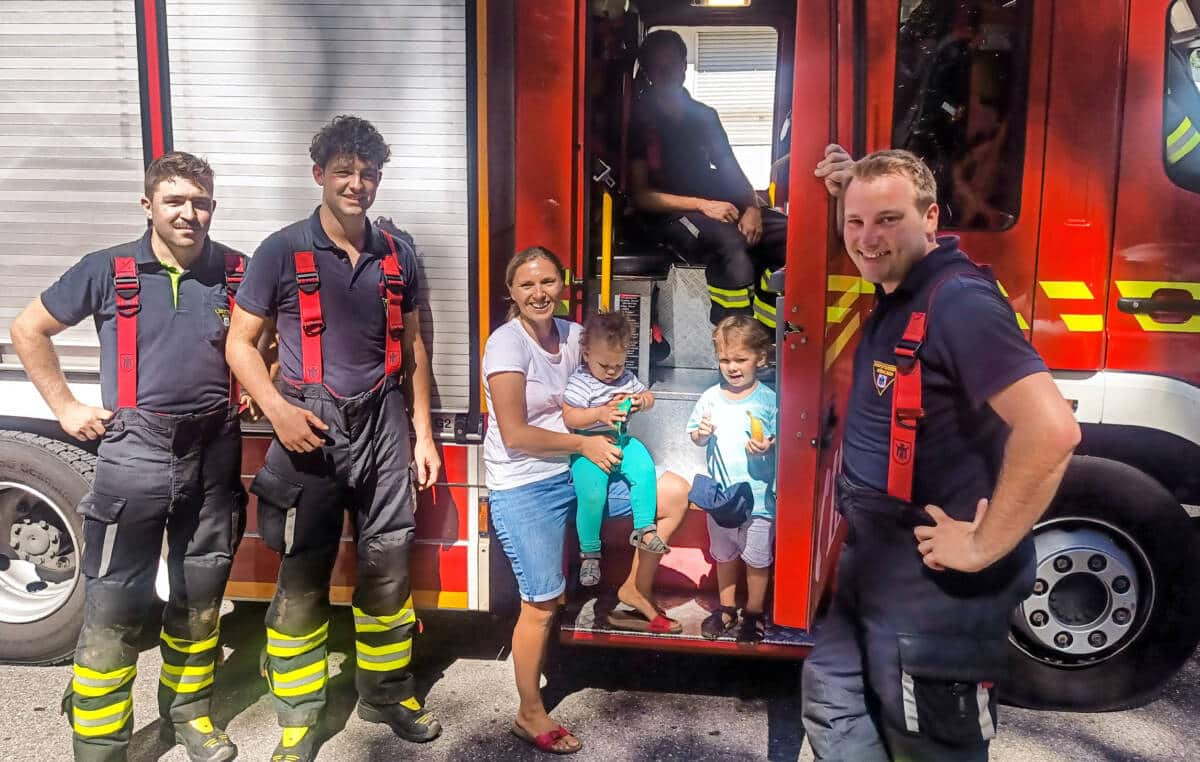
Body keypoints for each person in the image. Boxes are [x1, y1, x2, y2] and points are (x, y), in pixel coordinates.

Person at [801, 149, 1081, 761]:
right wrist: (854, 183)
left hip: (933, 589)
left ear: (931, 219)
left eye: (888, 220)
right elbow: (874, 208)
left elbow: (1052, 430)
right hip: (876, 564)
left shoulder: (957, 302)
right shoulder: (904, 283)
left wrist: (982, 546)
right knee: (834, 700)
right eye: (855, 222)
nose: (867, 240)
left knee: (930, 744)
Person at [10, 152, 249, 762]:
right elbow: (27, 329)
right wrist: (65, 408)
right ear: (149, 206)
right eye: (175, 201)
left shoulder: (238, 271)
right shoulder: (107, 269)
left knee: (201, 597)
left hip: (214, 451)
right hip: (134, 451)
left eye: (199, 202)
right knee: (116, 602)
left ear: (213, 207)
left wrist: (258, 382)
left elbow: (269, 338)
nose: (188, 213)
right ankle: (100, 743)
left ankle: (189, 716)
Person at [224, 115, 442, 762]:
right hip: (306, 431)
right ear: (318, 173)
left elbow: (415, 346)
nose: (357, 183)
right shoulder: (279, 251)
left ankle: (386, 693)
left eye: (368, 172)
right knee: (301, 579)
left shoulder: (399, 254)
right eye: (344, 171)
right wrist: (276, 411)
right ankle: (298, 718)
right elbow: (240, 343)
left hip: (382, 427)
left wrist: (422, 435)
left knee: (388, 574)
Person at [482, 246, 692, 754]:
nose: (539, 293)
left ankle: (632, 593)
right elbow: (514, 434)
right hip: (526, 480)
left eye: (548, 282)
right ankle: (529, 713)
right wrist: (584, 439)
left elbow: (608, 374)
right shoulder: (506, 345)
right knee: (542, 601)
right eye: (528, 284)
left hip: (579, 469)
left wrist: (630, 400)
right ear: (511, 291)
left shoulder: (576, 336)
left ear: (563, 285)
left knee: (673, 495)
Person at [629, 29, 788, 330]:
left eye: (673, 65)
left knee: (787, 236)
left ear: (684, 65)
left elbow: (729, 166)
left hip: (716, 204)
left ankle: (766, 339)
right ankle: (734, 343)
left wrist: (752, 207)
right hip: (668, 216)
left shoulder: (704, 116)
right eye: (659, 67)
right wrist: (704, 205)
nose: (668, 73)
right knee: (729, 242)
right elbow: (641, 196)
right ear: (648, 71)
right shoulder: (638, 119)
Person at [686, 316, 777, 643]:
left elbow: (781, 439)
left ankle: (753, 613)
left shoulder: (769, 400)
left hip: (759, 497)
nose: (732, 367)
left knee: (756, 558)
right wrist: (701, 433)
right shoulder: (710, 397)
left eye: (740, 359)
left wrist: (769, 445)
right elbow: (694, 436)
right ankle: (726, 608)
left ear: (761, 359)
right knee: (724, 555)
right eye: (725, 359)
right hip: (722, 499)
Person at [562, 310, 664, 588]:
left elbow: (649, 396)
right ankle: (590, 553)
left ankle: (644, 528)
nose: (611, 372)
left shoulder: (625, 378)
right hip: (588, 447)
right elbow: (570, 416)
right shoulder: (581, 382)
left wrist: (641, 401)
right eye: (605, 365)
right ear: (585, 352)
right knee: (592, 494)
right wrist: (598, 414)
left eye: (618, 366)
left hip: (620, 441)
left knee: (644, 467)